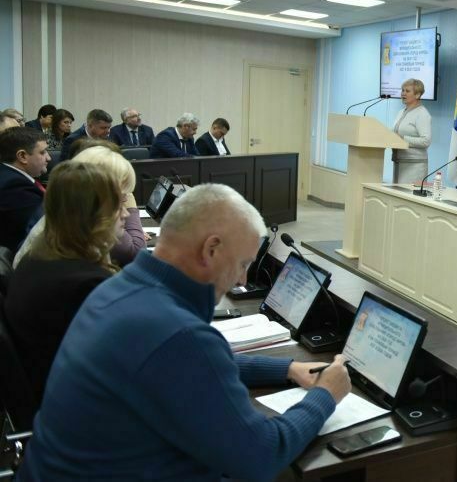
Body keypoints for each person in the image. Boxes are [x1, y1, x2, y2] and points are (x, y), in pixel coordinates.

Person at [19, 184, 352, 480]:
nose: (242, 280)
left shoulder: (121, 287)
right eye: (243, 264)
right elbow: (261, 456)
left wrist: (287, 368)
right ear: (211, 250)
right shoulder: (176, 334)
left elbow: (185, 366)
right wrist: (326, 394)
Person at [4, 161, 126, 403]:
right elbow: (122, 360)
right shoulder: (85, 284)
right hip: (76, 404)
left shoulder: (38, 256)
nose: (125, 214)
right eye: (118, 206)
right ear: (93, 214)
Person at [16, 144, 145, 268]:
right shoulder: (72, 259)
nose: (125, 212)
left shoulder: (64, 228)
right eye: (120, 197)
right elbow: (134, 252)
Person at [0, 127, 50, 252]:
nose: (49, 158)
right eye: (43, 152)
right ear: (22, 156)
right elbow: (41, 231)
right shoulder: (14, 187)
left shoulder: (9, 175)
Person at [391, 78, 431, 184]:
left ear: (417, 95)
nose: (403, 93)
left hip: (414, 165)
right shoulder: (401, 112)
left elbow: (426, 141)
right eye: (402, 90)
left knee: (406, 194)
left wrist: (403, 139)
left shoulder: (422, 114)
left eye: (407, 91)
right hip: (399, 162)